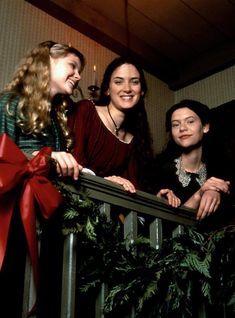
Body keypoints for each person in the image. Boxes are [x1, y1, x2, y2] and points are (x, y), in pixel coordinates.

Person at [0, 40, 85, 317]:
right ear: (46, 62)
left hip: (43, 220)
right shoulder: (9, 103)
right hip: (8, 217)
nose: (79, 75)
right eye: (72, 65)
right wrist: (41, 155)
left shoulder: (58, 121)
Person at [68, 56, 154, 194]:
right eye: (118, 82)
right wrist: (107, 182)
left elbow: (133, 189)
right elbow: (75, 164)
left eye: (135, 82)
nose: (127, 88)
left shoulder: (133, 140)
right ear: (107, 89)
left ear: (142, 91)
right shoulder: (86, 110)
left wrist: (160, 198)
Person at [155, 99, 231, 227]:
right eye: (175, 124)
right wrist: (201, 193)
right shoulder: (159, 171)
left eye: (190, 121)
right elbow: (169, 230)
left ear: (205, 127)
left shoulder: (221, 168)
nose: (182, 128)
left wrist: (215, 190)